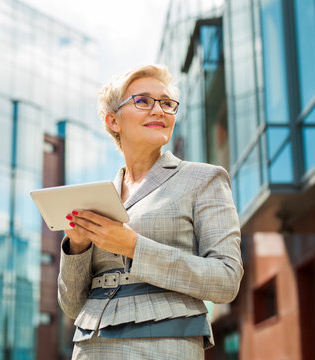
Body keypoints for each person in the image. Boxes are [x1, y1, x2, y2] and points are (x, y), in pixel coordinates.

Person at [58, 64, 243, 359]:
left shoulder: (204, 179)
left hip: (164, 342)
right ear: (113, 120)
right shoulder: (99, 199)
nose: (159, 110)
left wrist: (133, 246)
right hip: (91, 347)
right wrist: (78, 247)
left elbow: (226, 280)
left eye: (167, 103)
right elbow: (71, 304)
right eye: (143, 101)